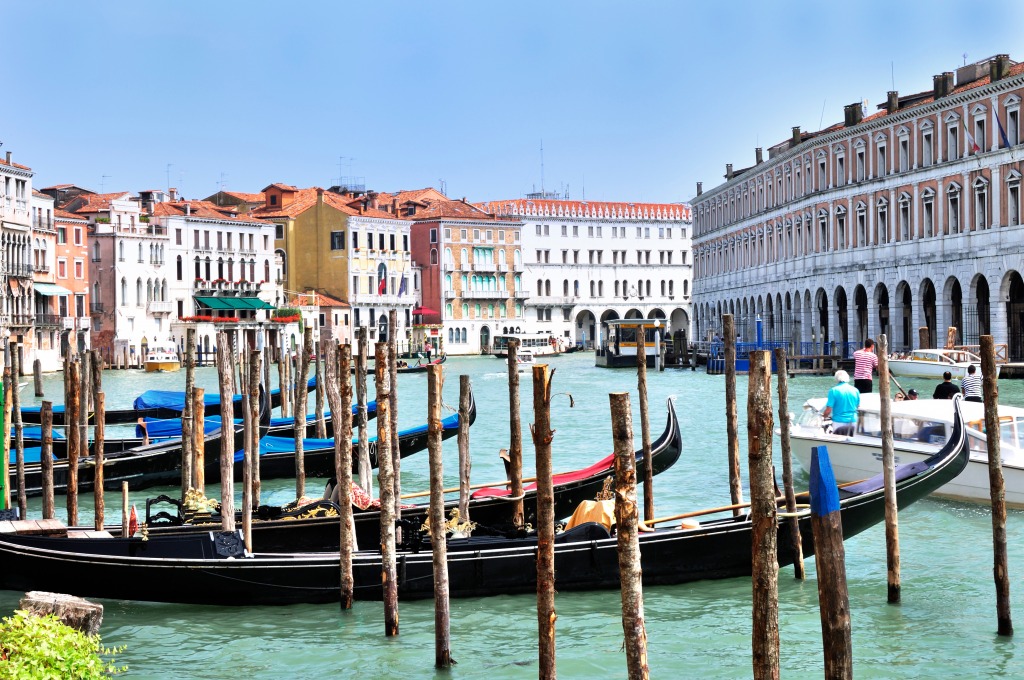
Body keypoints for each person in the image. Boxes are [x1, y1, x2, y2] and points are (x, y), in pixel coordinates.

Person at [822, 369, 860, 436]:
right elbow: (858, 406)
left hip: (839, 421)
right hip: (853, 420)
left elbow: (829, 409)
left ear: (836, 378)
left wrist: (824, 416)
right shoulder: (855, 390)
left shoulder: (833, 390)